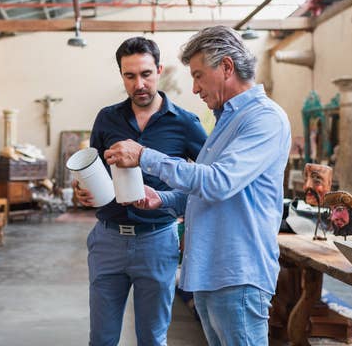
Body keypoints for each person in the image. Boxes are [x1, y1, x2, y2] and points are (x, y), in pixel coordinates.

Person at [104, 26, 291, 346]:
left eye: (199, 75)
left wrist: (144, 156)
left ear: (227, 68)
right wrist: (160, 199)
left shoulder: (264, 119)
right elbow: (206, 193)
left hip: (238, 274)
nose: (194, 88)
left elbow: (218, 183)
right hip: (212, 274)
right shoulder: (227, 120)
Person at [74, 37, 207, 346]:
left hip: (157, 241)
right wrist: (82, 191)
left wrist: (173, 203)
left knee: (151, 339)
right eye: (130, 76)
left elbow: (208, 182)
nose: (139, 84)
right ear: (121, 75)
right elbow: (92, 168)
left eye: (146, 74)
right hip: (107, 241)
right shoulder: (107, 118)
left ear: (158, 70)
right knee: (102, 340)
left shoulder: (185, 124)